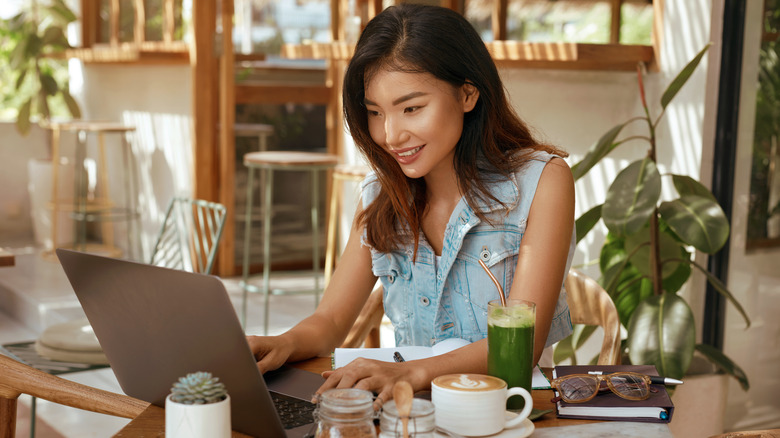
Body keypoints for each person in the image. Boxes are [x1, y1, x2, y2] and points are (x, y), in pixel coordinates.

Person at [248, 3, 576, 409]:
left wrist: (409, 373)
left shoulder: (542, 182)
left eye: (411, 108)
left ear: (468, 93)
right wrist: (281, 343)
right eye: (374, 112)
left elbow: (521, 344)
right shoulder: (380, 194)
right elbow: (330, 322)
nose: (390, 135)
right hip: (410, 416)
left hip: (508, 416)